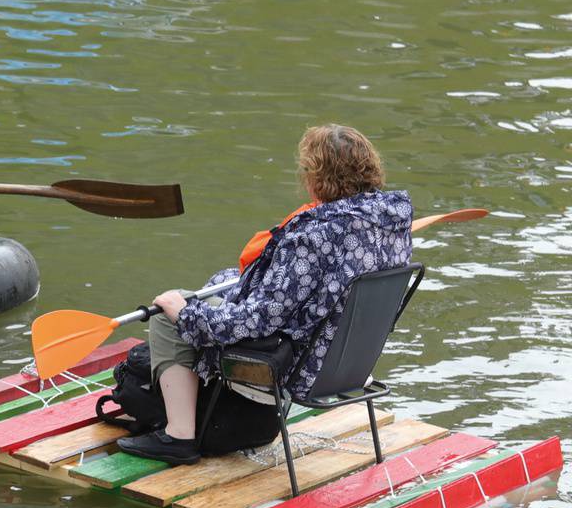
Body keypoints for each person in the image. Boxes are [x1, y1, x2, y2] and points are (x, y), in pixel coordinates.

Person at [116, 124, 412, 466]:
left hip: (302, 367)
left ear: (316, 177)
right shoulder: (391, 224)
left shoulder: (313, 236)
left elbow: (256, 320)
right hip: (352, 363)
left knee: (171, 310)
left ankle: (178, 437)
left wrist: (185, 313)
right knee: (219, 284)